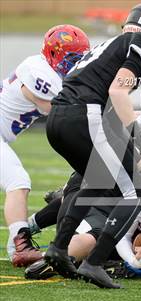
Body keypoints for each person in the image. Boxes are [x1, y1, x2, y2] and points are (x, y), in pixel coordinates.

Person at [43, 3, 141, 289]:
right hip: (85, 115)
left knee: (97, 182)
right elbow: (118, 91)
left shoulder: (108, 47)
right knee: (135, 194)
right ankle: (95, 262)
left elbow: (113, 124)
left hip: (59, 119)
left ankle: (58, 249)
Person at [0, 24, 90, 267]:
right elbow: (62, 111)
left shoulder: (44, 69)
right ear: (53, 53)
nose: (75, 65)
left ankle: (15, 243)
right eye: (71, 58)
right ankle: (20, 246)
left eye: (80, 59)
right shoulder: (38, 71)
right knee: (18, 182)